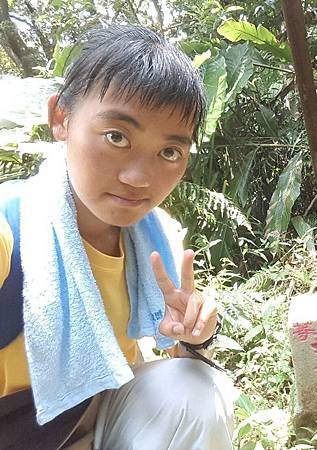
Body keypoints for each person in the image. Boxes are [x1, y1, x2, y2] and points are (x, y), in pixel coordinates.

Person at [0, 25, 235, 449]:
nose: (137, 179)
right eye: (117, 137)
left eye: (169, 152)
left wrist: (195, 337)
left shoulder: (156, 239)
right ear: (61, 119)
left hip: (95, 424)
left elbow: (179, 386)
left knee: (195, 390)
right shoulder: (8, 233)